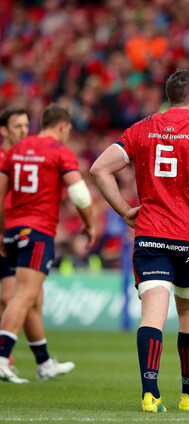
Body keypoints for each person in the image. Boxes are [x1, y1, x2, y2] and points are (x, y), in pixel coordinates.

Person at [90, 69, 189, 413]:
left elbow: (99, 168)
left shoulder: (141, 129)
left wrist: (125, 211)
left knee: (152, 314)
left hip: (151, 234)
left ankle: (150, 394)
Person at [0, 105, 95, 383]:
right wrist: (89, 224)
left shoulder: (15, 150)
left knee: (33, 298)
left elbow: (0, 195)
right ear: (63, 126)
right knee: (23, 295)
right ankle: (2, 357)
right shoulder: (59, 151)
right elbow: (79, 194)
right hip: (38, 231)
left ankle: (44, 363)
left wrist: (2, 232)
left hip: (13, 230)